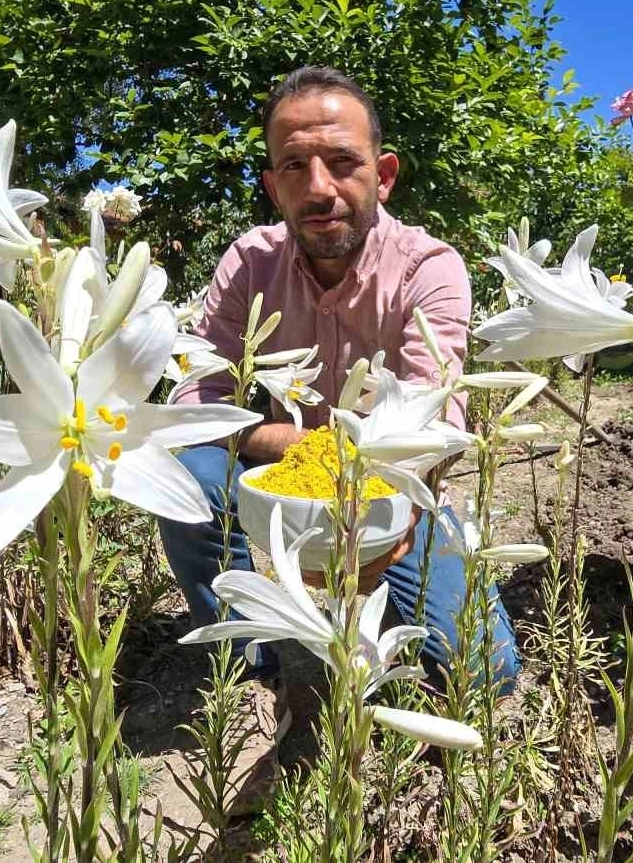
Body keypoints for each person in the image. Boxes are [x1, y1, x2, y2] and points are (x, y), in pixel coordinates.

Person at [158, 65, 519, 807]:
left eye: (343, 162)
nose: (320, 187)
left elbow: (430, 420)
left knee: (484, 671)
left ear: (383, 175)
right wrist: (313, 452)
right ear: (273, 184)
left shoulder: (430, 266)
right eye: (295, 165)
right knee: (188, 475)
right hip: (283, 480)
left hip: (393, 489)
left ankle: (379, 675)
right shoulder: (247, 261)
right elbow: (199, 400)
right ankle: (260, 669)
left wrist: (377, 533)